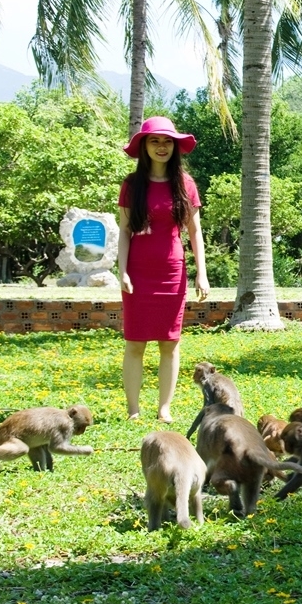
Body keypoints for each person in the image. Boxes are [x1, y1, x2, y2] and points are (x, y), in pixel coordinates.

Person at [118, 116, 209, 422]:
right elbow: (124, 231)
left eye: (167, 141)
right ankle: (133, 410)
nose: (162, 147)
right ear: (144, 146)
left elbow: (195, 232)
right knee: (135, 342)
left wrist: (202, 273)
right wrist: (123, 271)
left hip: (173, 272)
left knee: (169, 343)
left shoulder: (185, 184)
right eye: (155, 141)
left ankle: (164, 409)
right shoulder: (132, 186)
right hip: (138, 273)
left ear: (175, 146)